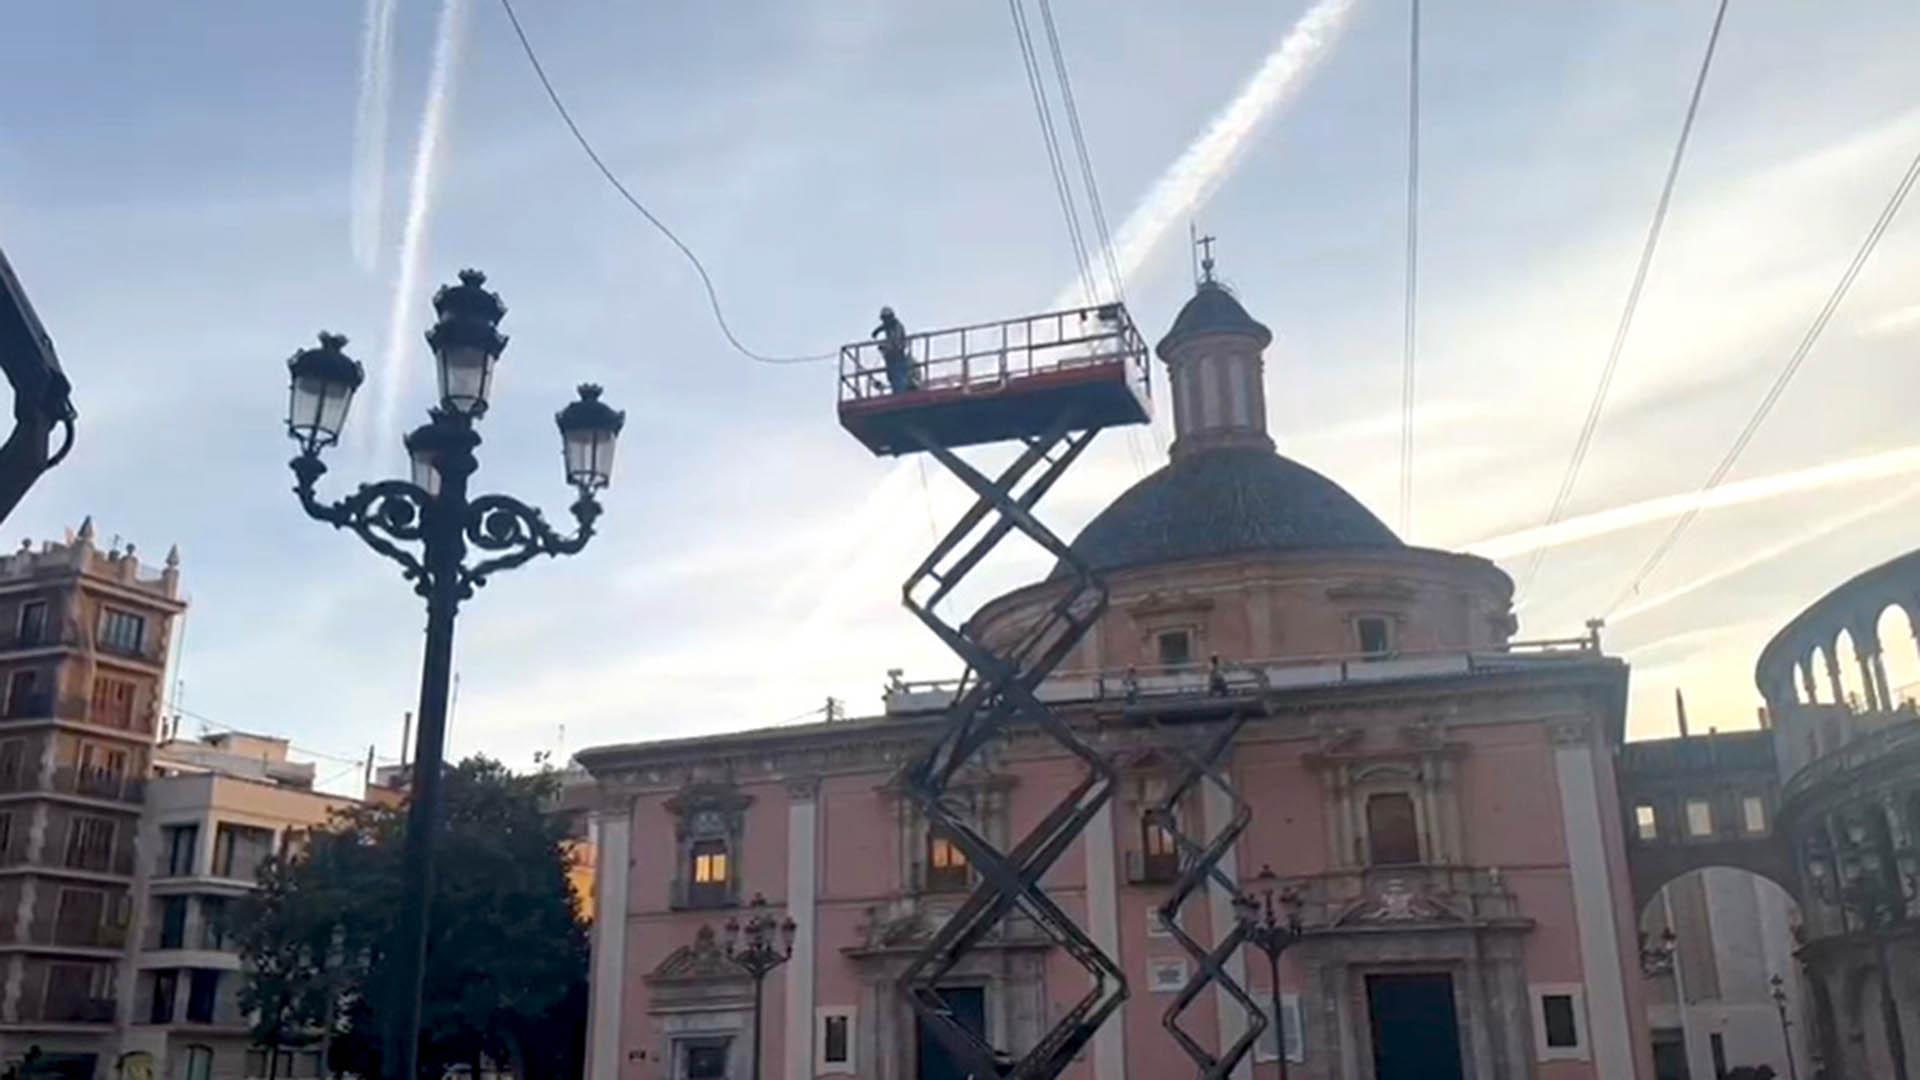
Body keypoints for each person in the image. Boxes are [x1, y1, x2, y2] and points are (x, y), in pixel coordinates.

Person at [873, 306, 915, 393]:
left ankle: (901, 393)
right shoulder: (889, 327)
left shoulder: (897, 327)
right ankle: (897, 391)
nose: (884, 321)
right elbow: (884, 328)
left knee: (898, 375)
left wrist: (885, 347)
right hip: (891, 356)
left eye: (885, 319)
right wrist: (877, 331)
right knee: (892, 375)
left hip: (897, 355)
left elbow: (895, 341)